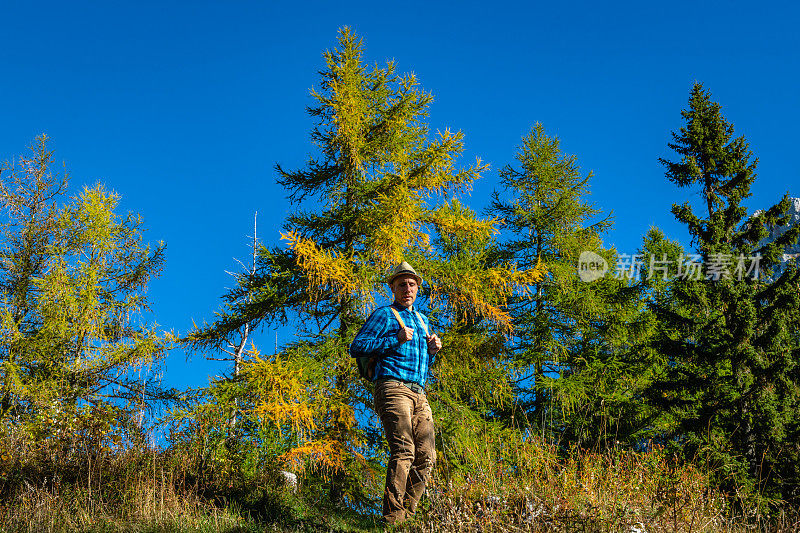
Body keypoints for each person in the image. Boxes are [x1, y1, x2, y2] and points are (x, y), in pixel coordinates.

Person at [350, 261, 442, 525]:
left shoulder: (423, 321)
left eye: (412, 284)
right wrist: (395, 338)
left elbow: (422, 364)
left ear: (418, 289)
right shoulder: (385, 314)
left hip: (419, 393)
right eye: (402, 284)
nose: (407, 288)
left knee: (427, 456)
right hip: (392, 387)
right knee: (404, 450)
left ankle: (407, 517)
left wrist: (433, 352)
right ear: (393, 287)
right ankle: (392, 518)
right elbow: (357, 346)